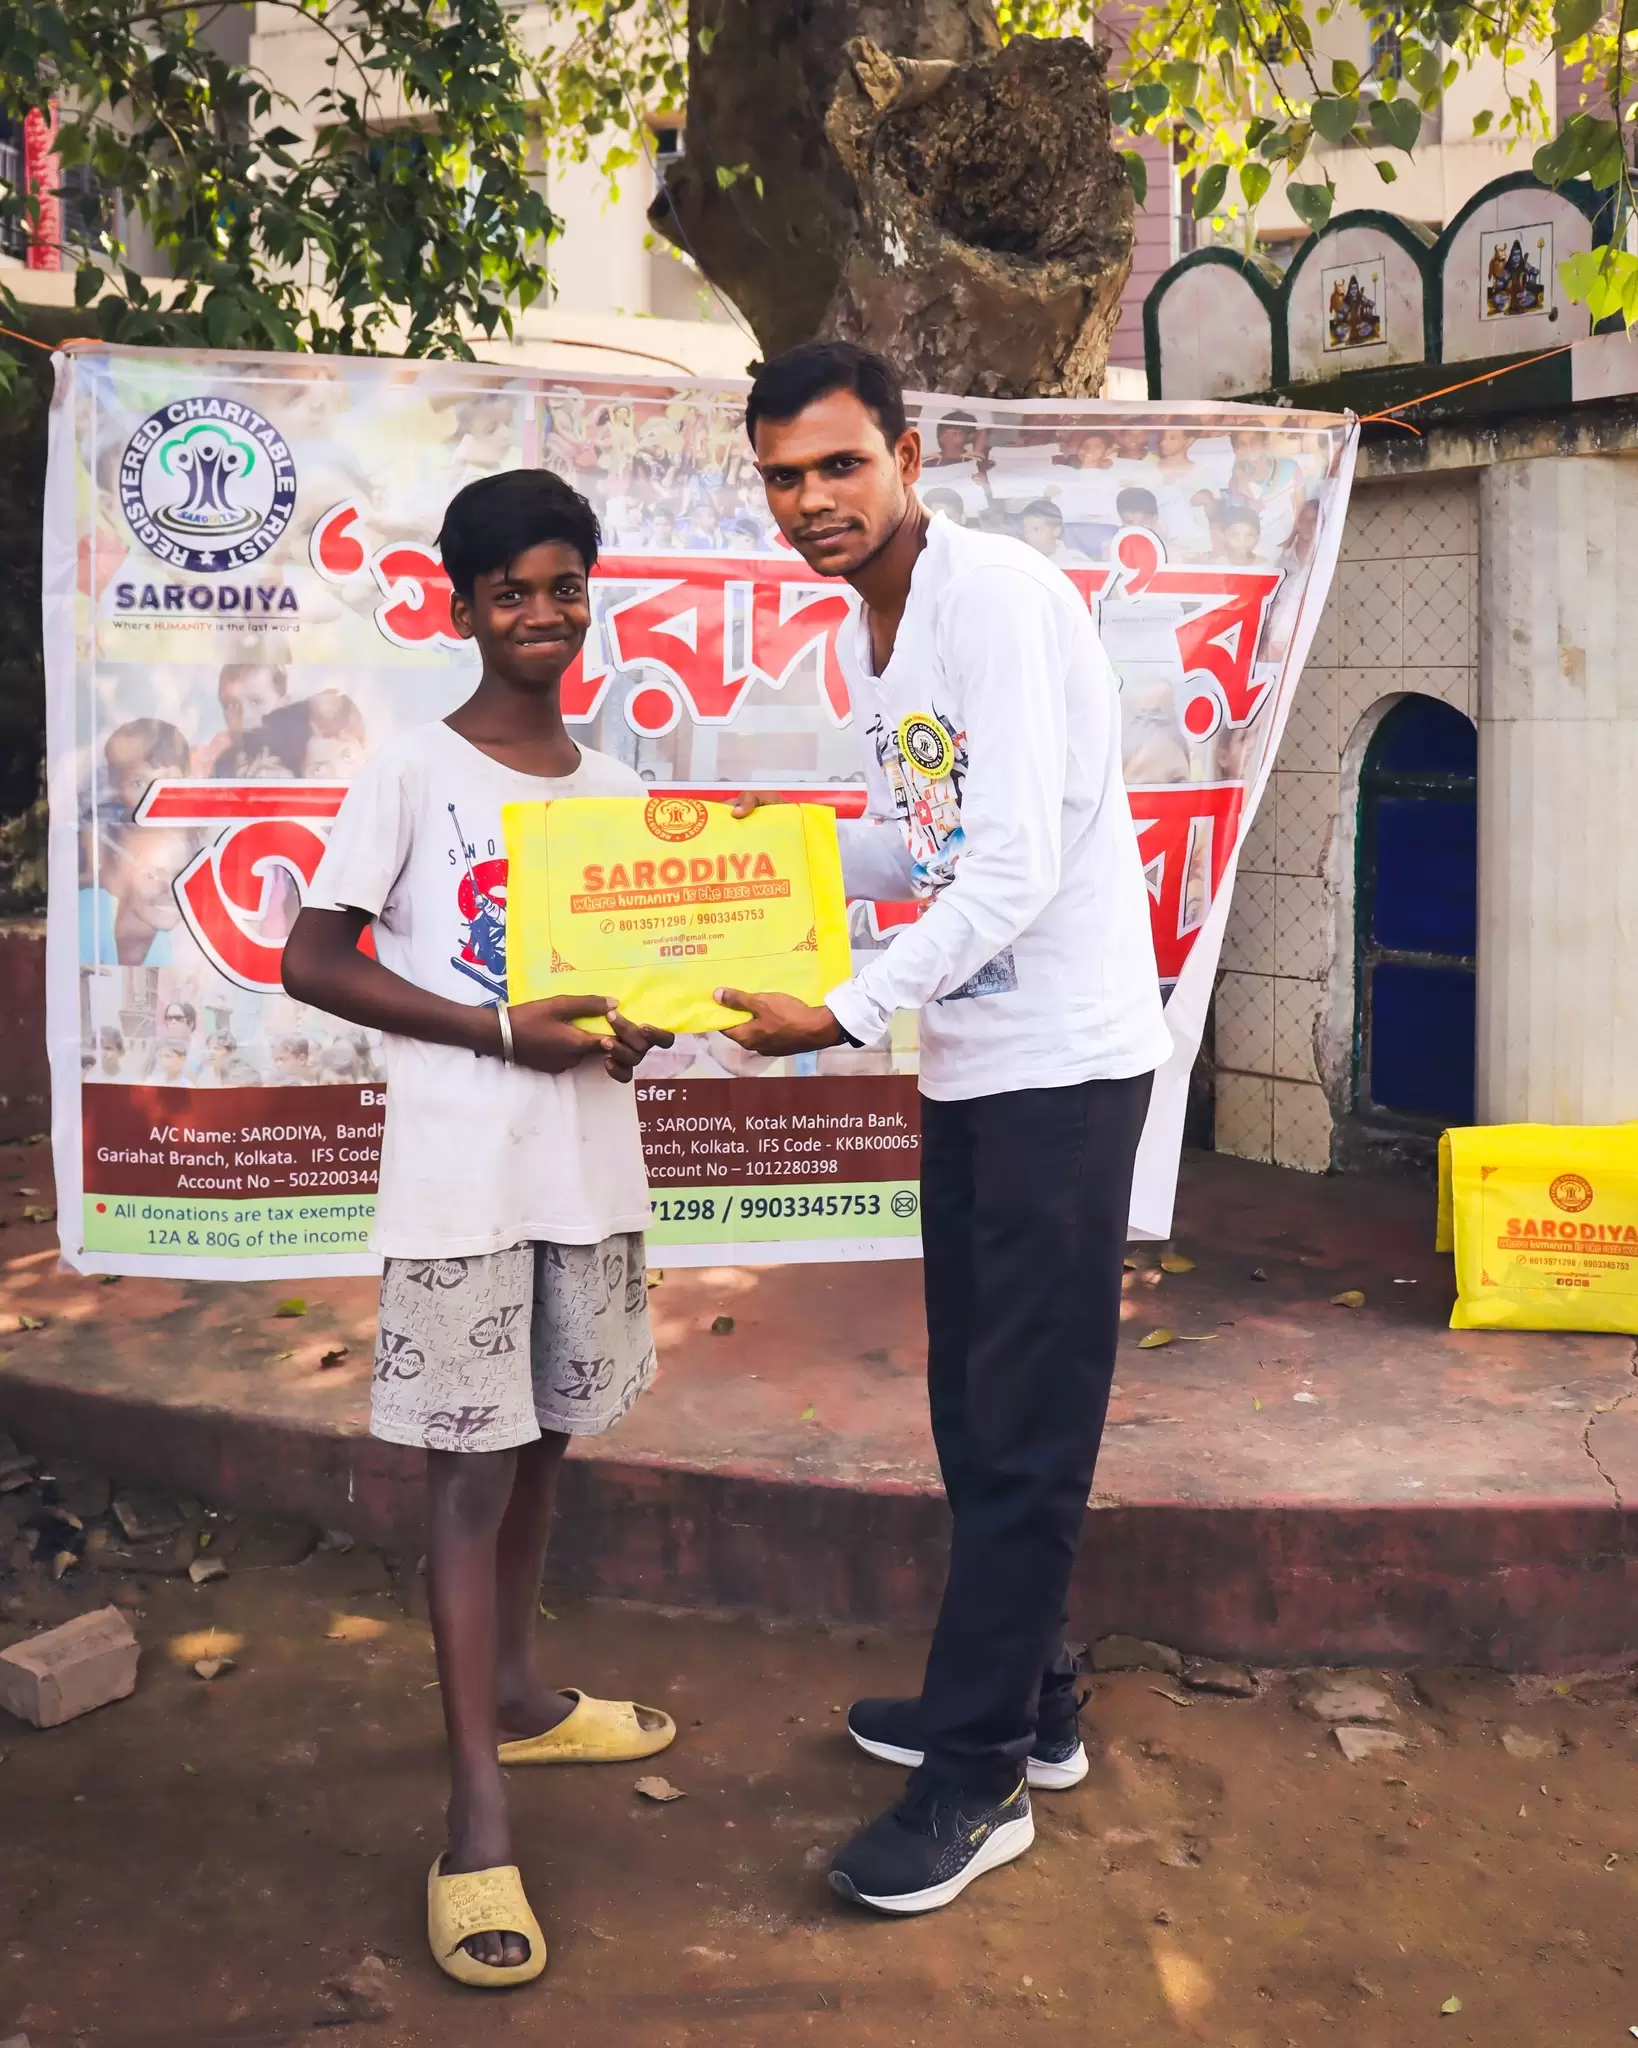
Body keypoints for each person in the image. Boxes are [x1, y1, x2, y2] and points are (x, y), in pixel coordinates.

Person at [723, 342, 1171, 1915]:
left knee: (1026, 1424)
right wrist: (740, 861)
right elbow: (915, 843)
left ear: (908, 458)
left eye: (839, 465)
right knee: (976, 1409)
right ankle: (1028, 1701)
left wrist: (842, 1010)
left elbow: (1012, 867)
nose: (811, 501)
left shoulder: (996, 603)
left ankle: (976, 1780)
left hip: (1064, 1065)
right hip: (978, 1063)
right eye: (782, 477)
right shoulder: (880, 629)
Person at [280, 468, 676, 1991]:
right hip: (461, 1180)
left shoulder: (618, 791)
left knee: (546, 1444)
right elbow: (313, 957)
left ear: (588, 598)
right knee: (468, 1477)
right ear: (461, 607)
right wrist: (497, 1026)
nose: (540, 612)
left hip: (584, 1175)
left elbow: (628, 992)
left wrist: (637, 1028)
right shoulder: (412, 772)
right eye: (510, 589)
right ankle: (475, 1816)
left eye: (564, 586)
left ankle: (518, 1693)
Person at [192, 662, 289, 776]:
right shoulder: (223, 766)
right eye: (231, 705)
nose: (244, 716)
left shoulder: (303, 758)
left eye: (256, 702)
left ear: (284, 706)